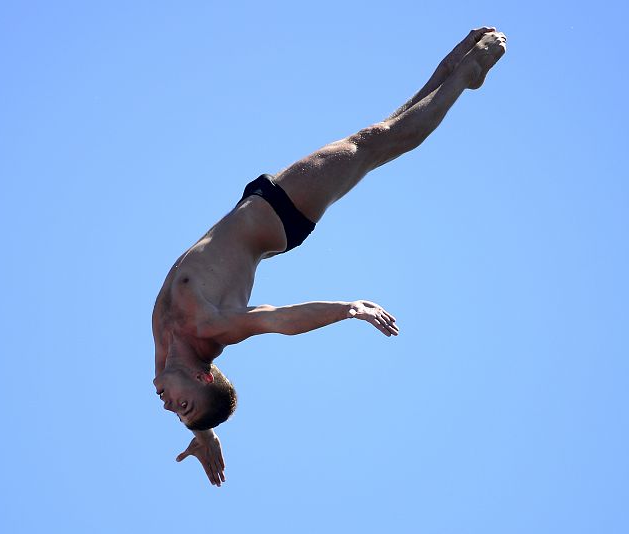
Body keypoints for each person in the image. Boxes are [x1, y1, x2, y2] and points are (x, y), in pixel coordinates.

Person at [152, 28, 507, 486]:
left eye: (177, 413)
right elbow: (278, 319)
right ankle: (467, 74)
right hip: (282, 212)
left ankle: (458, 66)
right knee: (377, 141)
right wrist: (346, 309)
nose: (167, 406)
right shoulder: (210, 330)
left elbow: (194, 404)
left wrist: (204, 434)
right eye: (183, 407)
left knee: (379, 139)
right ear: (203, 378)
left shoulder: (165, 358)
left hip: (252, 205)